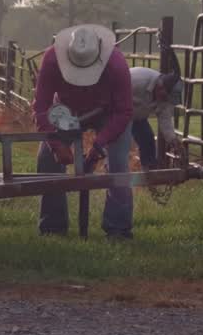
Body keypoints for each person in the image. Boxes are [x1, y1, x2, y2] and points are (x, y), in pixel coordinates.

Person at [32, 24, 134, 239]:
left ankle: (118, 229)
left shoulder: (116, 64)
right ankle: (52, 228)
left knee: (118, 165)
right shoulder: (52, 59)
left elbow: (124, 111)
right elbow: (41, 107)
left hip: (108, 112)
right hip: (66, 110)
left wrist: (100, 144)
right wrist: (56, 144)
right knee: (47, 161)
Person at [127, 66, 184, 171]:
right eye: (165, 96)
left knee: (148, 140)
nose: (165, 100)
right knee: (120, 143)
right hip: (116, 111)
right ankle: (112, 171)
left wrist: (173, 140)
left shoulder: (165, 99)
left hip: (136, 115)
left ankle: (149, 173)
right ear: (160, 87)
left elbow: (165, 120)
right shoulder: (137, 80)